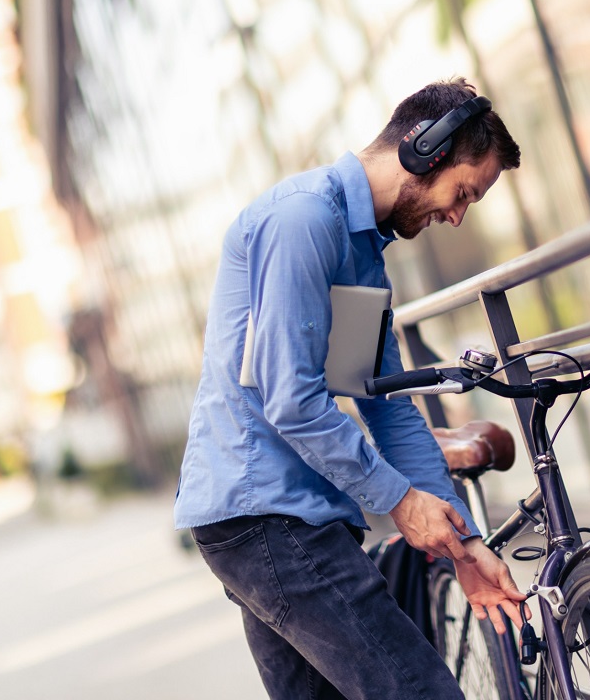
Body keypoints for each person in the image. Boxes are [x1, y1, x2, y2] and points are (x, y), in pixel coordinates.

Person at [175, 77, 526, 699]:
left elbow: (384, 406)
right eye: (464, 191)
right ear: (428, 150)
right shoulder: (303, 221)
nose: (456, 214)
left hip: (278, 516)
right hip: (268, 516)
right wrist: (400, 500)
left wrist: (466, 548)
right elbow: (292, 399)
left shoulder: (362, 253)